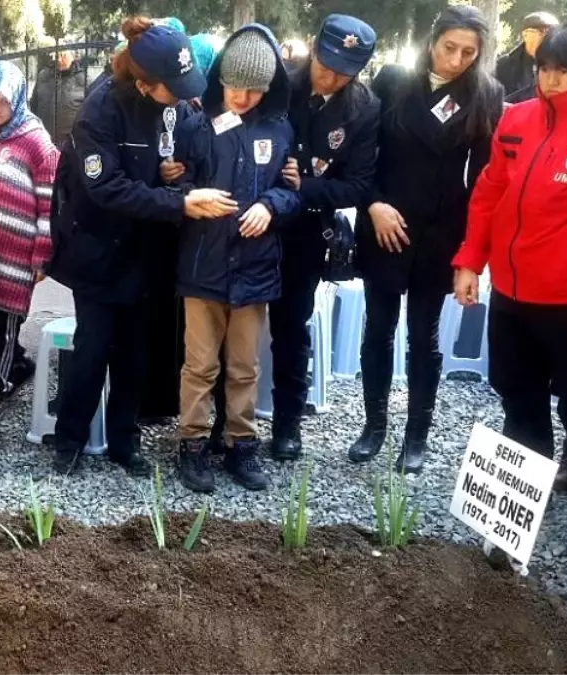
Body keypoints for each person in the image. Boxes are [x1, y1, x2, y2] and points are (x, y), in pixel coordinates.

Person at [453, 23, 567, 559]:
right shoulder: (518, 117)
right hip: (512, 294)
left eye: (563, 71)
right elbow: (488, 193)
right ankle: (518, 506)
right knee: (519, 402)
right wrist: (469, 262)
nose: (550, 80)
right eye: (544, 68)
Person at [45, 17, 233, 475]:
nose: (187, 96)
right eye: (176, 86)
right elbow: (105, 187)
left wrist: (178, 177)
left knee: (135, 352)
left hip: (148, 252)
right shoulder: (101, 109)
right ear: (146, 83)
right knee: (93, 349)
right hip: (99, 249)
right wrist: (179, 200)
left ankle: (124, 442)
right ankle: (69, 441)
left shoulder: (175, 109)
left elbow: (190, 155)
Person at [349, 5, 504, 474]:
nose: (456, 60)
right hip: (385, 222)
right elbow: (362, 156)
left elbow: (484, 181)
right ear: (432, 42)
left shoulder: (486, 94)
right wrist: (371, 204)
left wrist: (470, 255)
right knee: (377, 328)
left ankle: (417, 435)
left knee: (424, 335)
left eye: (468, 53)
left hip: (440, 233)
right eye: (448, 47)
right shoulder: (394, 81)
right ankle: (374, 425)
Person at [172, 24, 300, 494]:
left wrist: (271, 205)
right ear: (219, 80)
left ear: (267, 88)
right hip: (203, 267)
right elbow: (174, 188)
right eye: (233, 85)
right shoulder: (196, 124)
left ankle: (241, 444)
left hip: (255, 268)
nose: (241, 96)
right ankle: (191, 443)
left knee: (245, 366)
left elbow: (291, 190)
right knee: (200, 365)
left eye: (253, 89)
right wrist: (191, 196)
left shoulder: (280, 128)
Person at [264, 15, 379, 462]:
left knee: (292, 328)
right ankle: (225, 422)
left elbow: (357, 185)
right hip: (257, 222)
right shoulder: (279, 85)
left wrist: (304, 186)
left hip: (308, 230)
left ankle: (287, 423)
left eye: (343, 71)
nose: (329, 76)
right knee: (235, 325)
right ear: (313, 47)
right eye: (325, 63)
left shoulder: (365, 108)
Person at [0, 61, 58, 423]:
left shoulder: (35, 140)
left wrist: (41, 255)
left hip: (16, 253)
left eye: (4, 101)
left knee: (6, 321)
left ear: (18, 99)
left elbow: (48, 201)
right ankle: (16, 363)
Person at [496, 11, 559, 103]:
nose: (547, 36)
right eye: (541, 32)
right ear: (525, 35)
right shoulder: (505, 65)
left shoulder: (564, 64)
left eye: (552, 31)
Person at [29, 49, 87, 144]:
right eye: (57, 56)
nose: (59, 60)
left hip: (72, 145)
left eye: (63, 56)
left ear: (72, 56)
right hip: (44, 142)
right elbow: (34, 105)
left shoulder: (84, 80)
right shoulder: (43, 76)